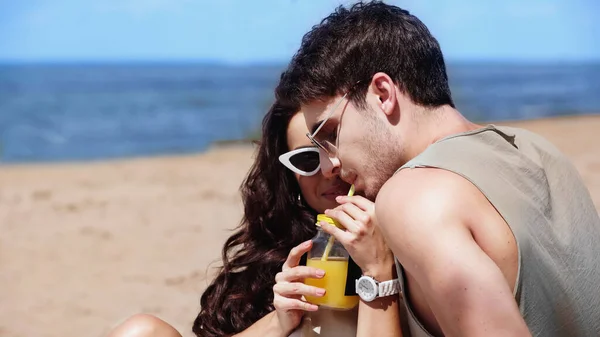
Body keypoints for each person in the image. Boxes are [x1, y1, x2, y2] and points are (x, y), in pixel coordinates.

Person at [275, 1, 600, 337]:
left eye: (330, 133)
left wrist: (377, 279)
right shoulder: (536, 150)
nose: (328, 165)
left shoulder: (413, 197)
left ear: (383, 93)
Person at [107, 100, 402, 337]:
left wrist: (378, 277)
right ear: (291, 179)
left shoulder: (405, 237)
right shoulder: (286, 257)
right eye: (308, 159)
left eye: (336, 146)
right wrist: (281, 321)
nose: (329, 168)